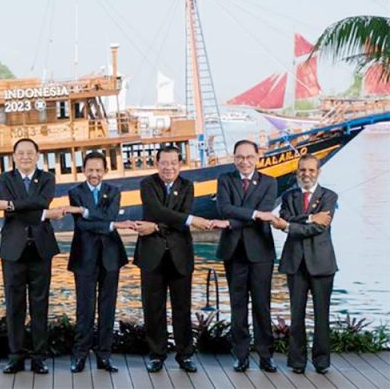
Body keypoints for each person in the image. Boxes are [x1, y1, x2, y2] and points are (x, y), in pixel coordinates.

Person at [0, 138, 64, 375]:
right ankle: (15, 357)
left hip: (41, 248)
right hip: (13, 249)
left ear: (37, 155)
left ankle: (39, 357)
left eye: (30, 153)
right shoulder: (4, 179)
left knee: (40, 304)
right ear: (14, 156)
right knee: (14, 305)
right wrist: (44, 214)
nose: (25, 157)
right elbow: (21, 212)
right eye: (20, 153)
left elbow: (41, 201)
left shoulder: (47, 178)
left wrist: (9, 204)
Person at [134, 145, 212, 373]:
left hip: (180, 254)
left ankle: (185, 354)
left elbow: (171, 218)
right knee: (153, 308)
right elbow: (156, 211)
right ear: (156, 164)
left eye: (173, 163)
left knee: (182, 307)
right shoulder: (147, 184)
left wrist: (156, 226)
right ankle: (156, 355)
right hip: (152, 254)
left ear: (180, 164)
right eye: (164, 163)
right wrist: (190, 220)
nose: (168, 167)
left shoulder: (187, 186)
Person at [213, 140, 278, 373]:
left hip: (260, 251)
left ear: (258, 157)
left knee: (262, 304)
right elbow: (223, 208)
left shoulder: (269, 182)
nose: (244, 161)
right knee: (238, 305)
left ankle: (266, 355)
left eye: (249, 157)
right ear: (234, 158)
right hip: (234, 251)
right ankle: (240, 355)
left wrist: (232, 222)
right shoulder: (225, 179)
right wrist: (255, 213)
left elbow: (265, 212)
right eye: (240, 157)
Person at [63, 152, 131, 373]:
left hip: (111, 255)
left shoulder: (114, 191)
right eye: (90, 170)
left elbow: (110, 215)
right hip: (84, 256)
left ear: (105, 171)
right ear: (84, 170)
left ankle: (104, 356)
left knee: (107, 307)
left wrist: (84, 211)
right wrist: (108, 225)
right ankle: (80, 355)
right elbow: (81, 225)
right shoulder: (75, 192)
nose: (94, 174)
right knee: (85, 308)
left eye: (98, 170)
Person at [270, 154, 337, 375]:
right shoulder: (288, 196)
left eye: (311, 170)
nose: (306, 174)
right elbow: (284, 218)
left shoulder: (329, 196)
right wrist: (309, 218)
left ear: (318, 172)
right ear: (297, 171)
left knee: (321, 315)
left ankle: (322, 362)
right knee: (296, 315)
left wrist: (290, 226)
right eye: (302, 170)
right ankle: (297, 362)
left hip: (322, 263)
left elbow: (319, 227)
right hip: (295, 263)